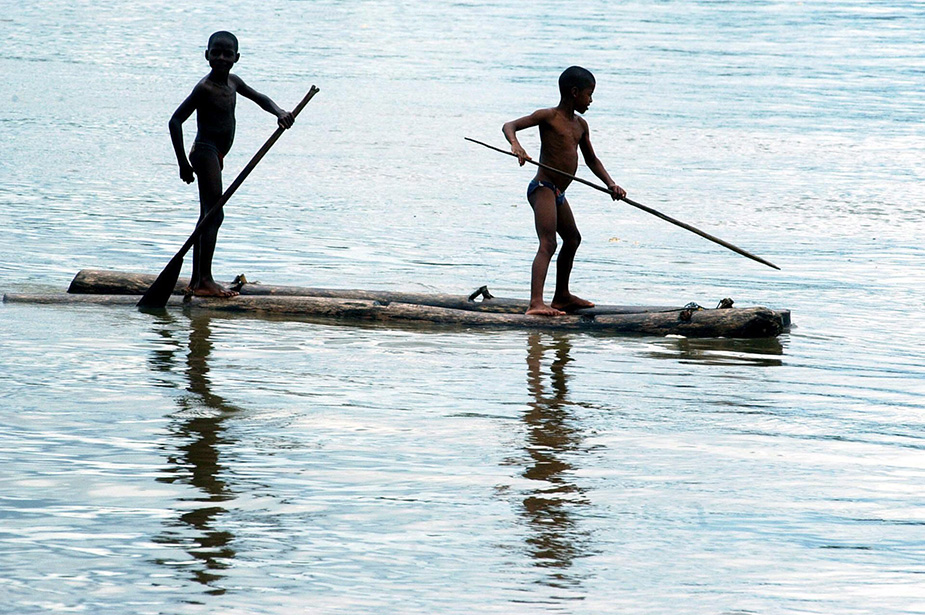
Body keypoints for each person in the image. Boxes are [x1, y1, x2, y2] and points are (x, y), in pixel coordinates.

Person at [169, 31, 294, 298]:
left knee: (207, 215)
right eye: (216, 52)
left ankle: (196, 280)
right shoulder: (205, 88)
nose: (222, 57)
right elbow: (175, 120)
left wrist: (280, 112)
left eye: (227, 53)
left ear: (237, 57)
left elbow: (260, 98)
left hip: (216, 155)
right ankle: (205, 281)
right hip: (205, 152)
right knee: (214, 214)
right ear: (207, 55)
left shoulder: (234, 82)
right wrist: (182, 164)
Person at [502, 66, 626, 316]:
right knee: (548, 243)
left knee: (573, 239)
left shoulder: (581, 125)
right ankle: (536, 303)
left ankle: (561, 297)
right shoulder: (548, 117)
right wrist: (516, 145)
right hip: (543, 188)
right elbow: (509, 125)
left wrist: (610, 184)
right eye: (589, 94)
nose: (591, 100)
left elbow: (592, 160)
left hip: (558, 192)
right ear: (574, 92)